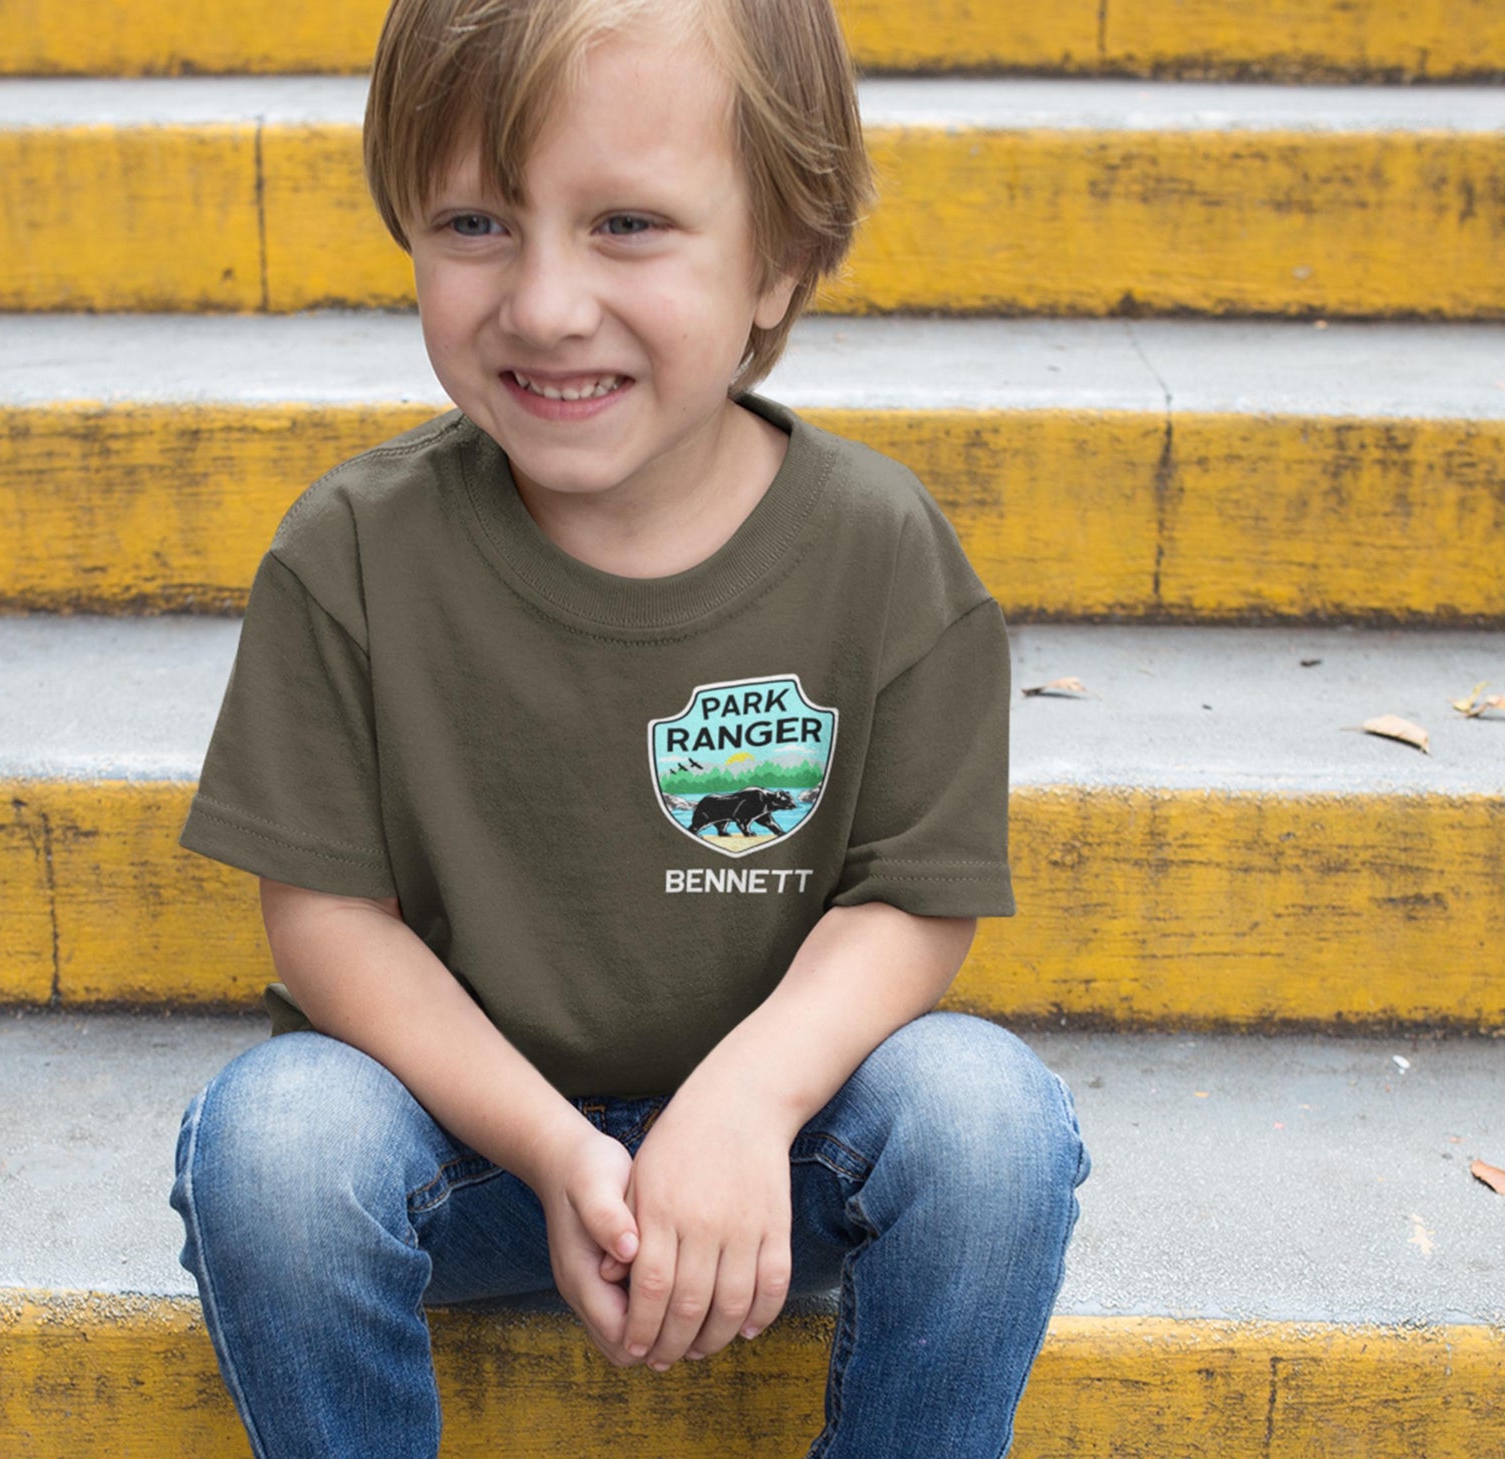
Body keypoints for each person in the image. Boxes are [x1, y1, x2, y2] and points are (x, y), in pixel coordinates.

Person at [168, 0, 1089, 1453]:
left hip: (776, 1154)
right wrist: (547, 1150)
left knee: (986, 1119)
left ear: (780, 261)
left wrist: (745, 1104)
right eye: (473, 223)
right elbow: (326, 922)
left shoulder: (882, 550)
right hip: (469, 1154)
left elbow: (911, 903)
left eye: (628, 226)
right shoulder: (350, 549)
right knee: (276, 1143)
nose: (541, 304)